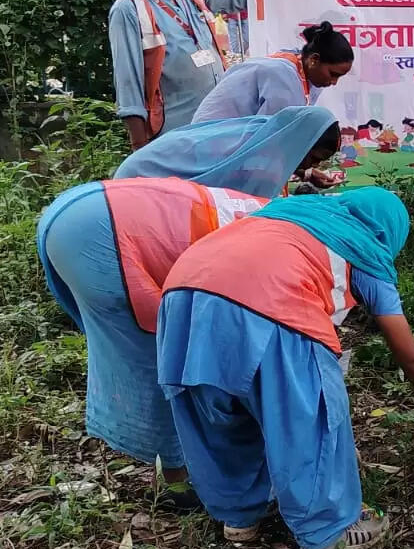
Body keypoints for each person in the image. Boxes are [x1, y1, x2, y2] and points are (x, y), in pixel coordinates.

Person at [35, 113, 342, 501]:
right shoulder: (286, 243)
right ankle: (177, 479)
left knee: (169, 344)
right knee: (162, 352)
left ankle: (181, 465)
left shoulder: (264, 210)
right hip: (108, 228)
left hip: (95, 203)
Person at [156, 188, 414, 549]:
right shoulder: (362, 245)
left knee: (215, 413)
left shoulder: (288, 214)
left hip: (182, 294)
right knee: (307, 421)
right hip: (271, 303)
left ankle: (238, 517)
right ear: (388, 232)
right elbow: (408, 353)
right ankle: (325, 536)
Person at [109, 0, 249, 150]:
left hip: (217, 126)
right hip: (174, 136)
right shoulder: (129, 8)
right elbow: (128, 83)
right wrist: (140, 147)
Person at [115, 105, 343, 198]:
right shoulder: (261, 163)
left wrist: (307, 173)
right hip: (140, 182)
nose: (310, 164)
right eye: (312, 158)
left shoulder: (266, 132)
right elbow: (250, 209)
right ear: (301, 142)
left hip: (140, 168)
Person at [192, 22, 356, 123]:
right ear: (314, 60)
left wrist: (305, 172)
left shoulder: (302, 70)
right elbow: (271, 139)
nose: (334, 82)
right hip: (211, 145)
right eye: (333, 74)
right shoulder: (283, 76)